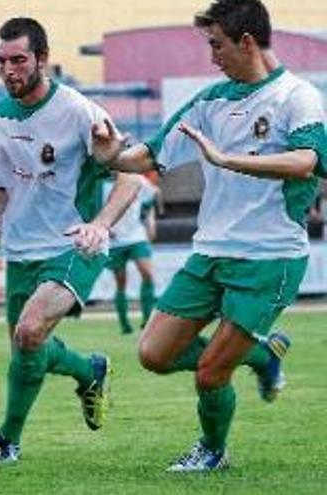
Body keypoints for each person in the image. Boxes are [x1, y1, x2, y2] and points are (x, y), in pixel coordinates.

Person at [92, 0, 325, 471]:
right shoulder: (210, 100)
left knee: (210, 372)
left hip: (268, 259)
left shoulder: (296, 96)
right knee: (154, 354)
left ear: (246, 42)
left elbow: (308, 161)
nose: (212, 56)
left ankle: (213, 451)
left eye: (217, 45)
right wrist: (109, 153)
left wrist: (227, 159)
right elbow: (149, 156)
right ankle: (262, 356)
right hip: (211, 254)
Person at [0, 17, 142, 466]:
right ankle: (90, 371)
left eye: (19, 60)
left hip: (74, 244)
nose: (8, 70)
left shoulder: (79, 111)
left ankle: (8, 440)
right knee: (28, 350)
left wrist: (101, 226)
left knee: (29, 333)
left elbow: (130, 180)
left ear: (43, 60)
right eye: (1, 61)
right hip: (21, 251)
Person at [103, 173, 158, 334]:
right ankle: (124, 324)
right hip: (114, 241)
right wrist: (102, 226)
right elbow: (90, 208)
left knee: (147, 274)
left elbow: (151, 199)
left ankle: (147, 320)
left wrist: (150, 223)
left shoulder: (138, 180)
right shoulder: (98, 183)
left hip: (136, 236)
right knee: (121, 282)